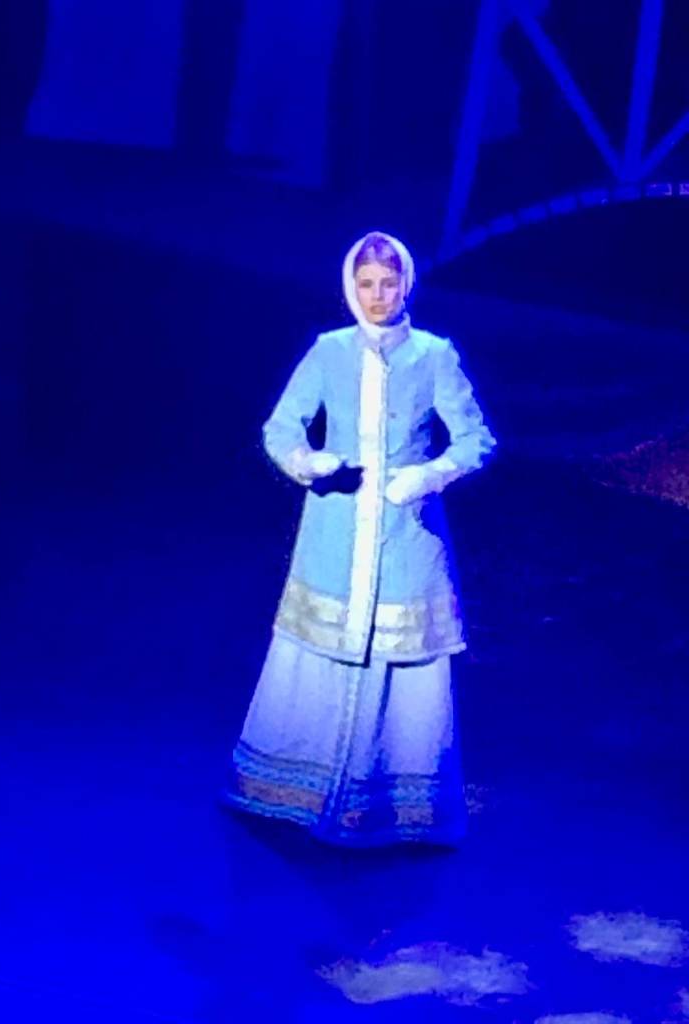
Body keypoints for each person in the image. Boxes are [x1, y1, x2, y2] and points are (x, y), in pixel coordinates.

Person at [224, 231, 496, 847]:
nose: (378, 295)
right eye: (367, 284)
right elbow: (279, 428)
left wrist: (429, 475)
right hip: (336, 530)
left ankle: (393, 811)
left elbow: (476, 439)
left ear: (406, 285)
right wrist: (308, 462)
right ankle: (288, 794)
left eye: (389, 283)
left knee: (401, 665)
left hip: (406, 536)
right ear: (352, 287)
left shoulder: (433, 355)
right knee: (318, 655)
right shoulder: (329, 352)